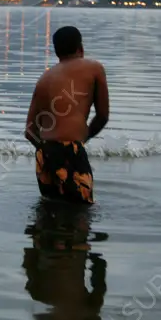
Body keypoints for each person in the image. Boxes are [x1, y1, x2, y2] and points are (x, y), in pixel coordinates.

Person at [24, 26, 109, 205]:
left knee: (48, 214)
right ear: (81, 48)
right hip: (71, 150)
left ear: (56, 52)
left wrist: (48, 150)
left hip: (43, 154)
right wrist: (81, 140)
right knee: (81, 214)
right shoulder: (94, 68)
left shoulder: (44, 79)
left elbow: (29, 131)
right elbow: (102, 116)